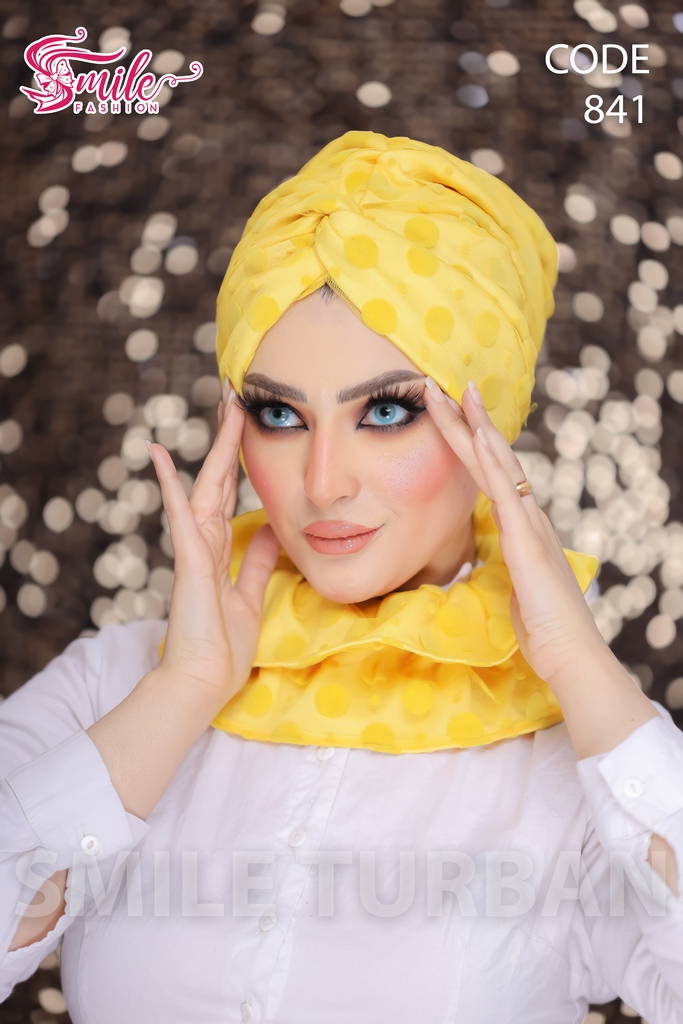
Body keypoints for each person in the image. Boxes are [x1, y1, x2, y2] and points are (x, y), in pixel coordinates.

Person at [1, 131, 682, 1023]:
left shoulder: (585, 757)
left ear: (490, 426)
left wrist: (578, 664)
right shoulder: (113, 684)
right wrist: (183, 690)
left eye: (387, 411)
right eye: (278, 415)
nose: (322, 483)